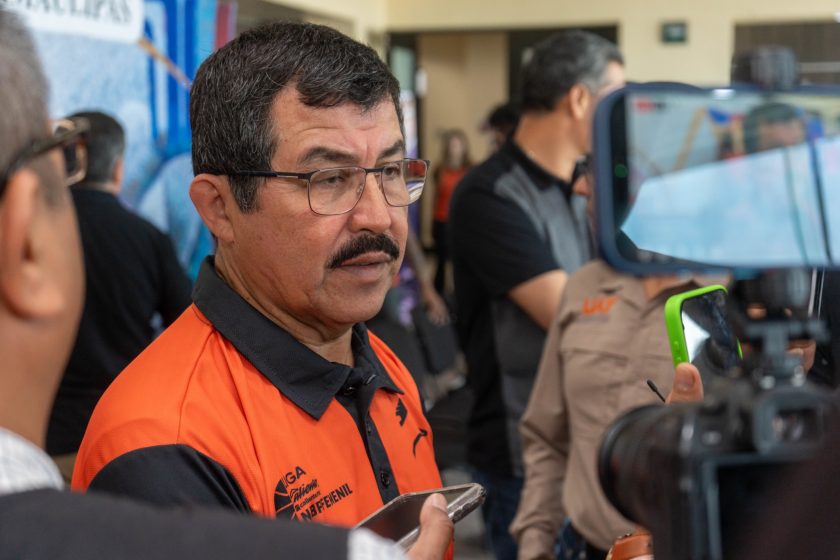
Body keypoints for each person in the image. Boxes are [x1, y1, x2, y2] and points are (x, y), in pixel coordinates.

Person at [0, 10, 452, 560]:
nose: (379, 217)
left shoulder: (380, 362)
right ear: (218, 208)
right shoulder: (165, 444)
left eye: (390, 172)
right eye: (329, 179)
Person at [448, 30, 624, 560]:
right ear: (580, 99)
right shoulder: (490, 194)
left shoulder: (583, 187)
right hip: (525, 457)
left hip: (591, 443)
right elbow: (577, 313)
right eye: (616, 97)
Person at [510, 253, 720, 560]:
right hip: (578, 546)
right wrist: (535, 544)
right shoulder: (586, 282)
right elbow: (546, 436)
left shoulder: (736, 295)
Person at [46, 111, 191, 479]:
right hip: (124, 440)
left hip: (46, 441)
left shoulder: (28, 235)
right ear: (118, 168)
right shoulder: (148, 239)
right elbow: (190, 326)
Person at [432, 129, 472, 294]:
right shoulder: (440, 169)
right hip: (441, 220)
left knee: (461, 261)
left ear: (464, 147)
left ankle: (460, 294)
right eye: (452, 145)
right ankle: (438, 297)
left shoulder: (470, 170)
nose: (454, 148)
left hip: (462, 222)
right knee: (441, 261)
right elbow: (436, 197)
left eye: (457, 145)